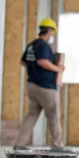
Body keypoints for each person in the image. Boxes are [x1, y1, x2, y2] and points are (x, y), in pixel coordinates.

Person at [15, 18, 65, 149]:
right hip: (45, 87)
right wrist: (58, 69)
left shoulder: (32, 45)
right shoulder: (43, 45)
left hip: (32, 86)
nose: (52, 36)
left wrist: (34, 70)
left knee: (31, 115)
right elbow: (42, 61)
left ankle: (20, 144)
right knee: (53, 116)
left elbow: (23, 61)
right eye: (52, 33)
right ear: (49, 31)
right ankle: (57, 145)